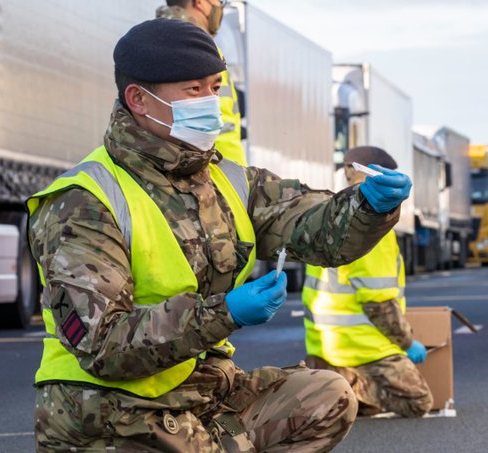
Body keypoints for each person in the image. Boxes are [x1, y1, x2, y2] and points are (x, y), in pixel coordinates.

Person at [29, 19, 411, 451]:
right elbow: (106, 348)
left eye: (214, 87)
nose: (210, 101)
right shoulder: (84, 202)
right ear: (138, 99)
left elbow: (315, 227)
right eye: (194, 90)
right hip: (109, 410)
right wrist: (224, 312)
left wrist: (368, 206)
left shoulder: (225, 179)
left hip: (200, 392)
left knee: (326, 397)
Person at [302, 146, 432, 418]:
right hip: (363, 350)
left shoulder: (329, 215)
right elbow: (379, 303)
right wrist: (408, 344)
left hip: (322, 349)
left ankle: (334, 387)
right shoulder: (374, 226)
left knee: (367, 406)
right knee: (418, 403)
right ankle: (351, 390)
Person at [157, 0, 247, 166]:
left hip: (219, 171)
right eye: (218, 1)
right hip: (214, 172)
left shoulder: (166, 42)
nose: (220, 6)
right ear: (199, 2)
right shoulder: (193, 48)